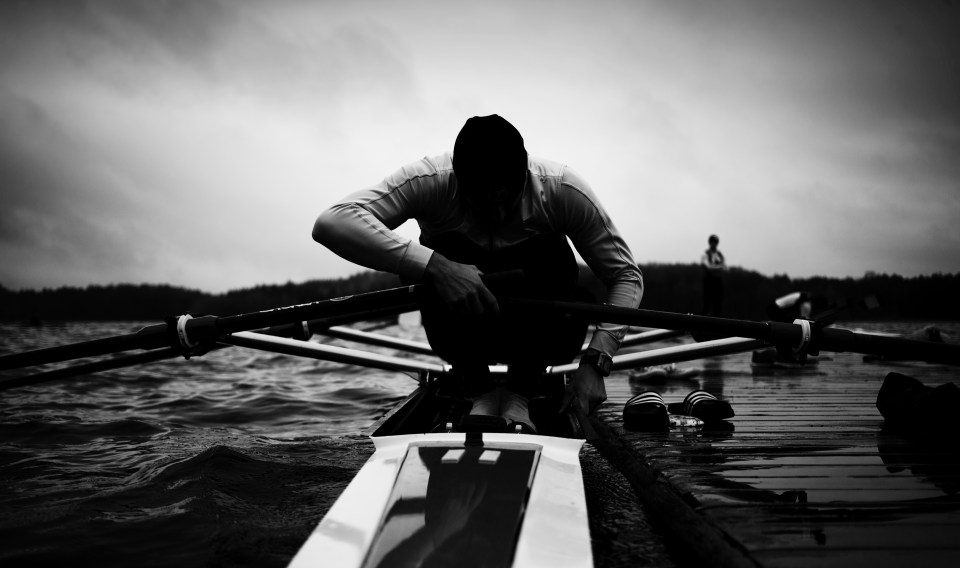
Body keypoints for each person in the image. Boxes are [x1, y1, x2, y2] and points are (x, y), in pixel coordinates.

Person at [312, 114, 643, 425]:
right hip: (461, 330)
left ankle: (521, 390)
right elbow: (331, 222)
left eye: (507, 202)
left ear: (524, 176)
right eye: (482, 204)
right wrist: (437, 266)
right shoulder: (431, 180)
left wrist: (597, 360)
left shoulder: (561, 189)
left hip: (541, 332)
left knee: (553, 254)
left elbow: (625, 276)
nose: (497, 214)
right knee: (430, 259)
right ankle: (477, 387)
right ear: (458, 180)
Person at [700, 234, 726, 316]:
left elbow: (724, 266)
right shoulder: (705, 253)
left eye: (715, 242)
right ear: (710, 243)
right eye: (712, 242)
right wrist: (718, 267)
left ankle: (717, 321)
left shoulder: (719, 254)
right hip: (709, 280)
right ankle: (703, 320)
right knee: (706, 302)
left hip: (718, 281)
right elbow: (707, 266)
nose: (714, 244)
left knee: (717, 303)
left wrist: (717, 267)